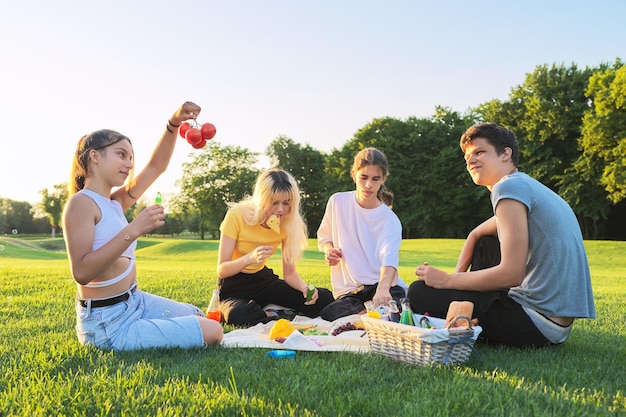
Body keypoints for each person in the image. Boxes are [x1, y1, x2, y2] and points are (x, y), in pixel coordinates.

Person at [408, 123, 596, 348]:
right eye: (467, 156)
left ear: (506, 153)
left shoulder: (508, 188)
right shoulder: (527, 186)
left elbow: (512, 274)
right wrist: (452, 288)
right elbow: (477, 234)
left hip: (535, 324)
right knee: (485, 242)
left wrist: (447, 280)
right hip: (556, 325)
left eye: (479, 152)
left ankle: (462, 315)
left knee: (418, 292)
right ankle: (463, 310)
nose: (470, 160)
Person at [63, 101, 223, 351]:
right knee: (213, 331)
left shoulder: (114, 202)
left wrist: (174, 123)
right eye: (121, 154)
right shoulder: (81, 204)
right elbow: (81, 272)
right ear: (94, 156)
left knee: (198, 314)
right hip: (108, 324)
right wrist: (134, 229)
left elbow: (156, 167)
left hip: (134, 302)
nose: (129, 164)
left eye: (131, 157)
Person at [217, 168, 334, 326]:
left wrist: (304, 287)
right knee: (238, 315)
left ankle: (266, 309)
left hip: (263, 280)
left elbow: (290, 273)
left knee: (324, 298)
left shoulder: (287, 222)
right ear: (262, 199)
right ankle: (268, 310)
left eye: (286, 203)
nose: (281, 209)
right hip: (234, 285)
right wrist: (250, 258)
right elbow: (222, 269)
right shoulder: (236, 215)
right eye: (274, 203)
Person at [317, 147, 407, 322]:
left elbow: (389, 258)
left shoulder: (389, 220)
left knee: (396, 298)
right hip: (350, 293)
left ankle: (371, 315)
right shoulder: (337, 202)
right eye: (363, 177)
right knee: (328, 313)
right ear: (353, 174)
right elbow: (324, 238)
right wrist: (329, 250)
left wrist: (382, 288)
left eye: (375, 179)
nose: (368, 185)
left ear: (384, 179)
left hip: (381, 286)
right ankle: (374, 315)